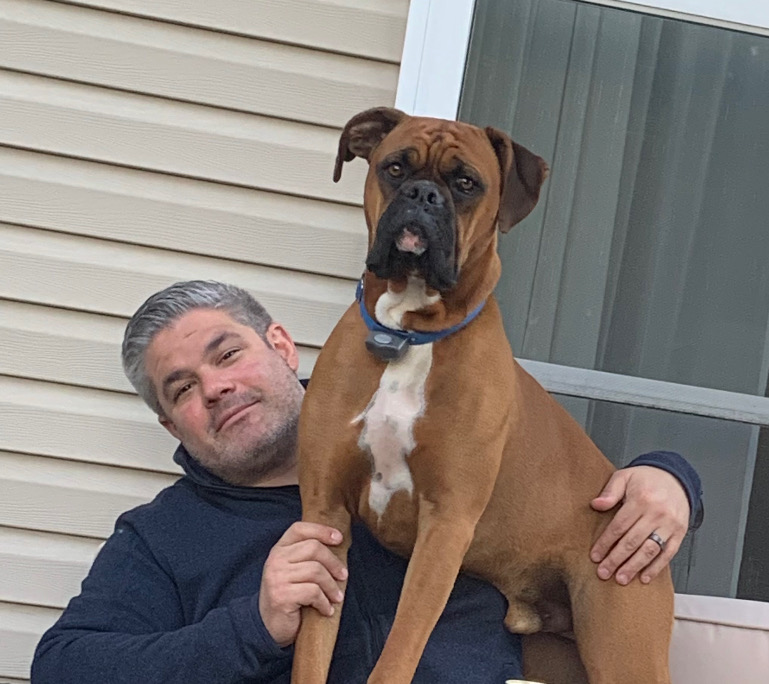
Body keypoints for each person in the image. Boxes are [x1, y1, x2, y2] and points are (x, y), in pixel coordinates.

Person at [32, 280, 703, 683]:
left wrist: (667, 478)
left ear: (281, 348)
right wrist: (255, 626)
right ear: (172, 427)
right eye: (181, 389)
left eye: (227, 353)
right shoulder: (164, 538)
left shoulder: (413, 434)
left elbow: (547, 471)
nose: (216, 387)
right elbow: (66, 667)